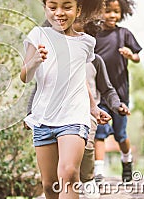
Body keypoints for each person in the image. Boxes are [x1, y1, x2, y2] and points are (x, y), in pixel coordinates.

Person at [20, 0, 105, 199]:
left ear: (79, 10)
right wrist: (35, 61)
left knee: (68, 174)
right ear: (45, 6)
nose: (59, 12)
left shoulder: (86, 43)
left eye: (67, 7)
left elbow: (80, 79)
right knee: (49, 185)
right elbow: (24, 76)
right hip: (45, 117)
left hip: (74, 116)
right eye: (52, 6)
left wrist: (93, 108)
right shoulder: (37, 36)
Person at [25, 17, 130, 199]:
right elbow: (39, 88)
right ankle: (69, 184)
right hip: (50, 116)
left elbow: (106, 88)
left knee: (86, 146)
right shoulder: (52, 59)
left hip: (82, 113)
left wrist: (113, 105)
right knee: (53, 176)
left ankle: (88, 179)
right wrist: (30, 114)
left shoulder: (95, 61)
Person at [93, 0, 142, 183]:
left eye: (116, 11)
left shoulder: (124, 34)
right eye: (107, 10)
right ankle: (98, 172)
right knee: (100, 132)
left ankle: (127, 160)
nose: (111, 15)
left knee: (121, 135)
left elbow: (138, 56)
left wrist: (131, 55)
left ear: (122, 13)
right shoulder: (94, 35)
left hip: (120, 93)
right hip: (100, 93)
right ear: (99, 11)